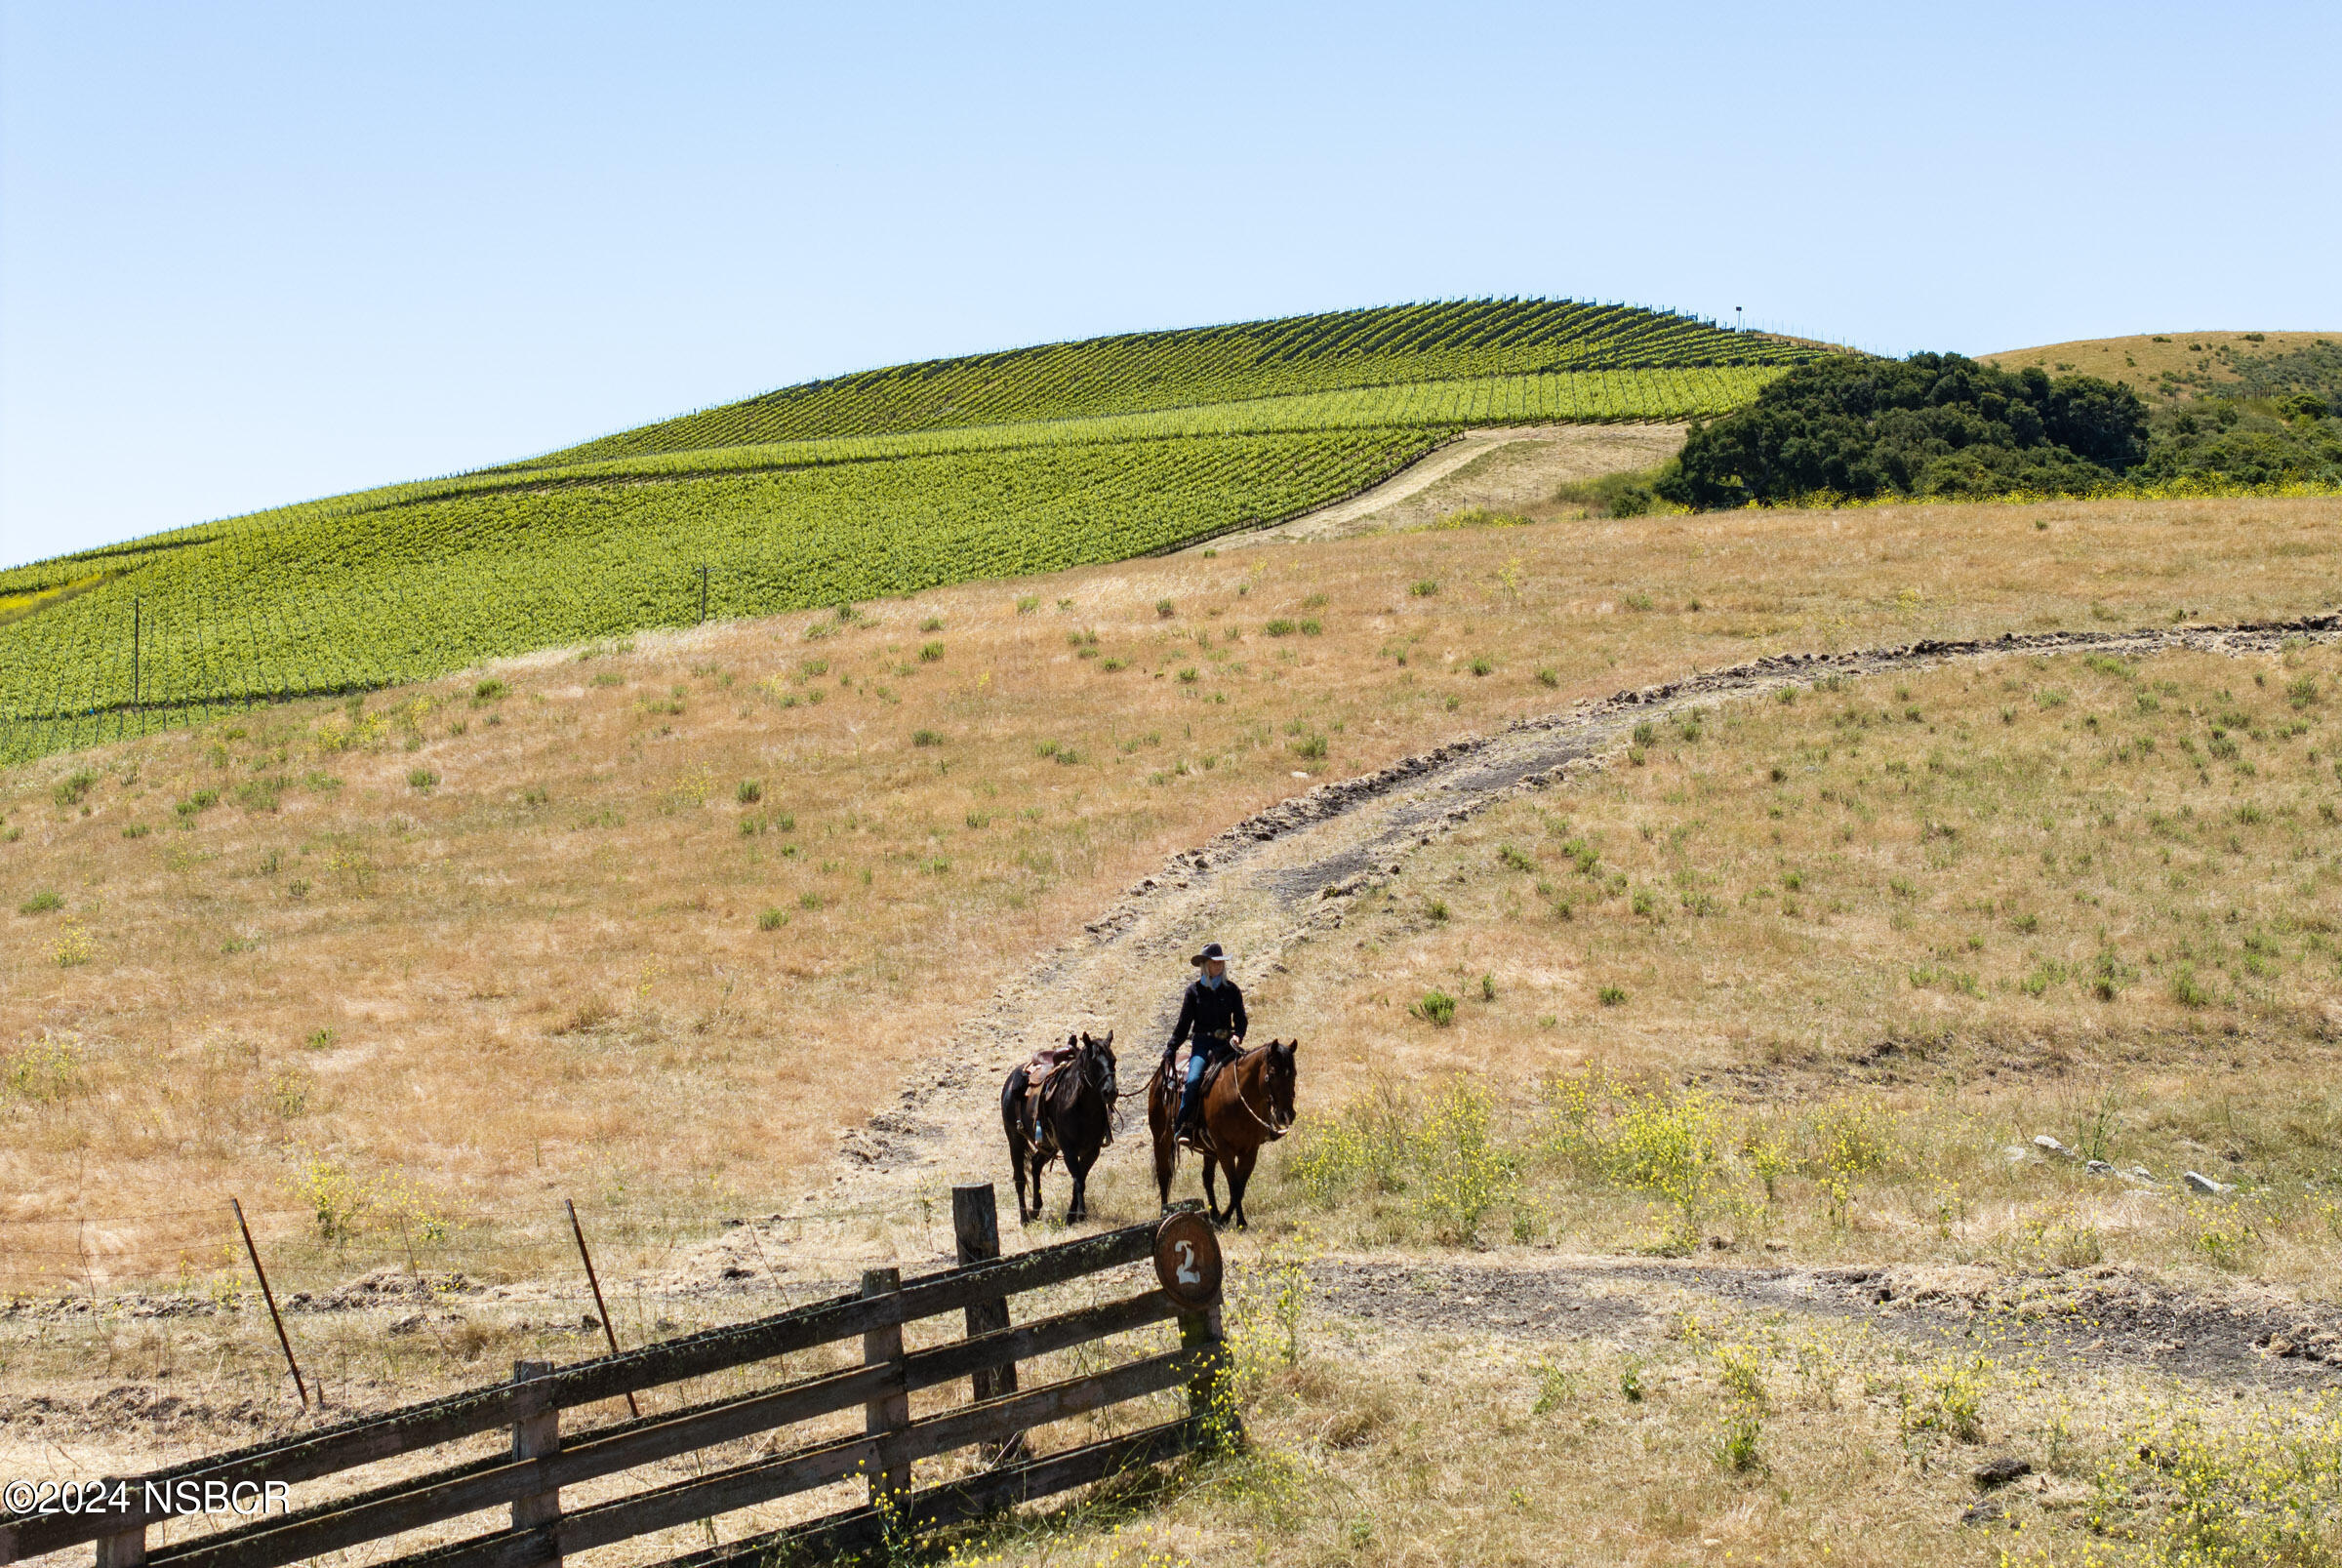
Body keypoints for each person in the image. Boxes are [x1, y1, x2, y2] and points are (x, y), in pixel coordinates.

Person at [1168, 941, 1246, 1142]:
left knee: (1250, 1076)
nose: (1218, 966)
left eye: (1221, 962)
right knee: (1193, 1080)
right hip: (1202, 1046)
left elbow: (1241, 1020)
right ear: (1205, 965)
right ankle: (1183, 1126)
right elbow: (1183, 1026)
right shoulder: (1193, 992)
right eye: (1214, 962)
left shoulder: (1232, 991)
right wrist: (1171, 1048)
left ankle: (1261, 1125)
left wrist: (1238, 1035)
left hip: (1227, 1046)